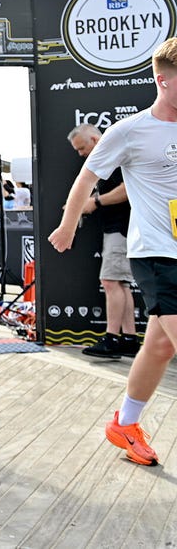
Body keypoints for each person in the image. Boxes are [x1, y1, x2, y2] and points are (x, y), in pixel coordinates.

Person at [48, 36, 177, 468]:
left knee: (159, 347)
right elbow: (86, 179)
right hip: (157, 252)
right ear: (162, 81)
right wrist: (67, 226)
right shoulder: (130, 131)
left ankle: (125, 423)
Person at [63, 123, 137, 359]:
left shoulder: (115, 155)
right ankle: (128, 338)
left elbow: (127, 189)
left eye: (82, 148)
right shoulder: (112, 156)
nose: (80, 154)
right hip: (118, 227)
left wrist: (94, 202)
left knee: (110, 282)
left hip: (122, 227)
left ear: (95, 140)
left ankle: (112, 338)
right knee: (119, 283)